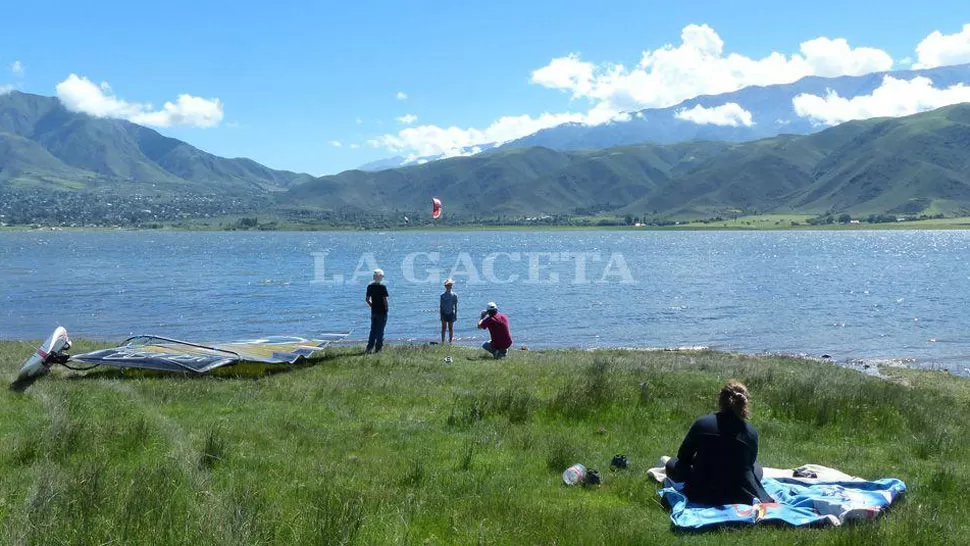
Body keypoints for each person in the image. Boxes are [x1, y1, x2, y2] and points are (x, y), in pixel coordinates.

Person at [664, 380, 773, 505]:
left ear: (721, 400)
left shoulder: (702, 423)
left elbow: (683, 456)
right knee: (757, 469)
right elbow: (749, 463)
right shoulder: (751, 432)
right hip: (735, 490)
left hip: (702, 486)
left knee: (671, 463)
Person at [365, 268, 389, 353]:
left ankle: (369, 348)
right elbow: (385, 300)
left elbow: (367, 299)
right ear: (381, 277)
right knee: (380, 330)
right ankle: (378, 348)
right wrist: (387, 308)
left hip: (374, 311)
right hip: (382, 311)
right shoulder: (382, 287)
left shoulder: (370, 286)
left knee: (373, 330)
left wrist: (372, 305)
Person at [440, 279, 458, 344]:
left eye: (450, 285)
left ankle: (450, 341)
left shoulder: (454, 295)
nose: (449, 286)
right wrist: (441, 315)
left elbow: (455, 306)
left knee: (450, 328)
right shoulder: (442, 295)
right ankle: (443, 341)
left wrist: (455, 315)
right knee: (443, 328)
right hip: (444, 313)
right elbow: (441, 306)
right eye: (447, 285)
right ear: (445, 286)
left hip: (451, 313)